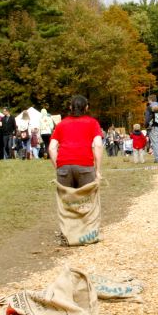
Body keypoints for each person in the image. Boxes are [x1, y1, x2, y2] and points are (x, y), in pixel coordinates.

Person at [48, 95, 103, 246]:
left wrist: (58, 166)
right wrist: (97, 170)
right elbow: (97, 145)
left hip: (64, 166)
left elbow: (52, 148)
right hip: (85, 165)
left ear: (70, 108)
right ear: (86, 108)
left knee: (67, 203)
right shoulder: (92, 123)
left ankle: (69, 236)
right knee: (88, 201)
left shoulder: (61, 124)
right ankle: (88, 235)